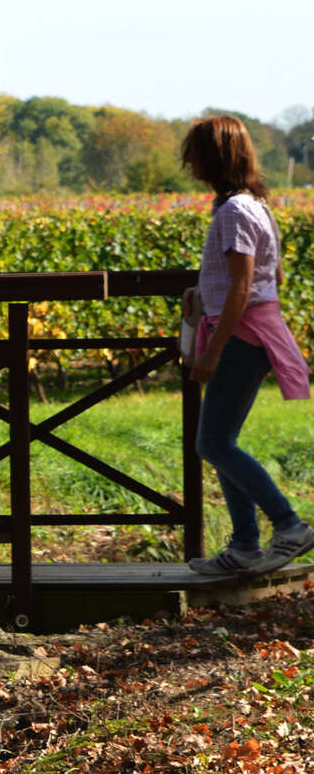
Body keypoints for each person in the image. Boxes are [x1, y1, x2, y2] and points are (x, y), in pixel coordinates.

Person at [181, 115, 313, 576]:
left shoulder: (235, 210)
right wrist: (203, 293)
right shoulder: (255, 204)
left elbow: (242, 288)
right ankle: (244, 548)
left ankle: (289, 526)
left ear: (215, 157)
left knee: (213, 442)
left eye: (194, 151)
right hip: (248, 332)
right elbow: (270, 276)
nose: (189, 161)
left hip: (241, 337)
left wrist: (212, 351)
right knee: (220, 441)